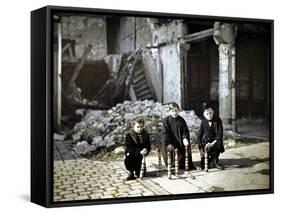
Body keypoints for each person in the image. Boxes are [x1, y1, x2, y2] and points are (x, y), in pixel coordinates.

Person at [161, 102, 196, 170]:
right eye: (172, 111)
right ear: (170, 111)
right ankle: (170, 163)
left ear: (178, 110)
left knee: (186, 145)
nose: (174, 113)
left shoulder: (181, 120)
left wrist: (185, 138)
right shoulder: (166, 120)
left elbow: (185, 131)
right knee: (165, 144)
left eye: (176, 110)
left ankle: (181, 163)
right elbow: (165, 133)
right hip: (170, 141)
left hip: (179, 141)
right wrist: (168, 143)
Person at [197, 102, 225, 170]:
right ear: (204, 115)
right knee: (204, 164)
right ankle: (208, 161)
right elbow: (199, 135)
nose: (209, 115)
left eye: (210, 113)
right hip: (206, 141)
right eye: (207, 114)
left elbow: (220, 134)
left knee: (218, 143)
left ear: (213, 112)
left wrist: (212, 143)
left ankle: (215, 161)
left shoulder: (217, 120)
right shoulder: (203, 122)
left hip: (215, 141)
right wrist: (200, 147)